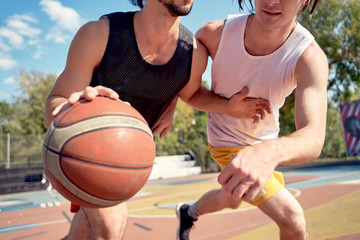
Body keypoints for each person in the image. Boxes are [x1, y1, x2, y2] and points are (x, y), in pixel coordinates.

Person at [43, 0, 272, 239]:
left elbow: (190, 93)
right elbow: (55, 103)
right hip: (84, 154)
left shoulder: (193, 53)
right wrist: (76, 106)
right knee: (110, 226)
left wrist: (226, 107)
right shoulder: (99, 35)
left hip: (126, 159)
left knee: (81, 234)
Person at [176, 0, 329, 239]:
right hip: (226, 141)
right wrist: (227, 107)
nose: (270, 1)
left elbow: (313, 137)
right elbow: (188, 92)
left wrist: (268, 152)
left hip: (264, 143)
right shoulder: (213, 35)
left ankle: (189, 212)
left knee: (231, 199)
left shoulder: (308, 57)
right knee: (293, 220)